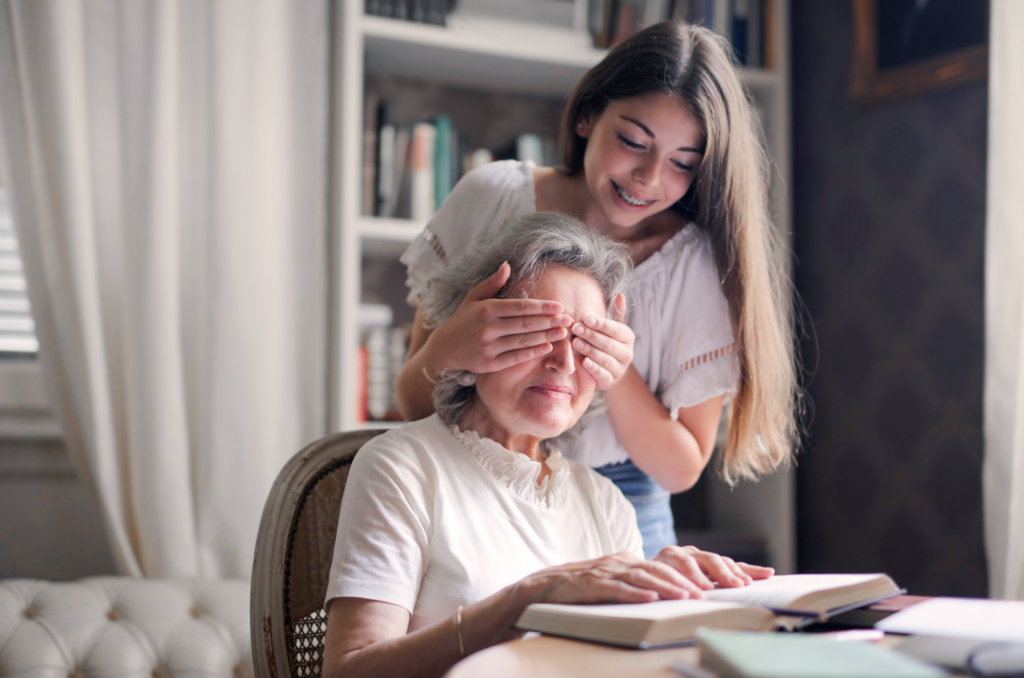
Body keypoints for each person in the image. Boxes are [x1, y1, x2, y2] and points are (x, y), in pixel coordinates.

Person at [396, 21, 798, 558]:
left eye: (682, 164)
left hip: (624, 506)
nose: (648, 178)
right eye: (633, 141)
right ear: (587, 116)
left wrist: (611, 367)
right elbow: (410, 402)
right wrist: (451, 347)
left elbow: (681, 468)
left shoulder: (695, 266)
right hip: (474, 484)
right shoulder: (490, 197)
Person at [322, 214, 773, 678]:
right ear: (478, 335)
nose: (562, 362)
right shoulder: (401, 468)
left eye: (585, 342)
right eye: (537, 332)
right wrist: (531, 597)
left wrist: (680, 598)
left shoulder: (606, 504)